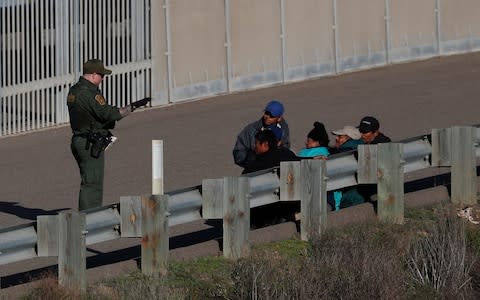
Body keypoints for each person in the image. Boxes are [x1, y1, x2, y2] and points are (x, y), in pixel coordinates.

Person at [67, 59, 150, 211]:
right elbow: (109, 114)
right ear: (93, 75)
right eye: (101, 75)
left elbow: (87, 116)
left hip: (78, 140)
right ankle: (89, 219)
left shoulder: (74, 91)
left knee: (88, 180)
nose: (103, 78)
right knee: (93, 183)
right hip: (90, 143)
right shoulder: (90, 94)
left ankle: (87, 217)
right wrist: (133, 107)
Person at [233, 100, 290, 168]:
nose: (267, 117)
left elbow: (286, 144)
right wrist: (251, 161)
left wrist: (279, 148)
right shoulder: (251, 129)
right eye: (266, 113)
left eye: (271, 116)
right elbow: (238, 152)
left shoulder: (283, 129)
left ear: (279, 118)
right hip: (256, 167)